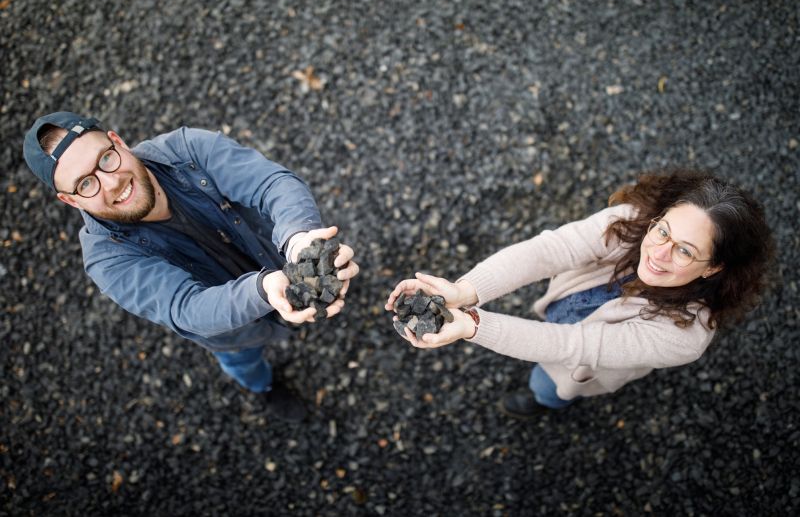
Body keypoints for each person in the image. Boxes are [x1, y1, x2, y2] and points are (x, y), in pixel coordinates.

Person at [23, 111, 360, 423]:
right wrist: (264, 291)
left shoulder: (186, 149)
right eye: (86, 183)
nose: (111, 183)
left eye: (106, 159)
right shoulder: (106, 258)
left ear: (119, 142)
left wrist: (299, 240)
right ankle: (264, 388)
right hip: (236, 332)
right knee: (244, 364)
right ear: (70, 200)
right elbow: (187, 307)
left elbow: (271, 184)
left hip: (283, 259)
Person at [386, 170, 774, 419]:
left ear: (713, 267)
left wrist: (472, 325)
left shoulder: (684, 336)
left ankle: (549, 404)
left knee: (547, 386)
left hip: (580, 367)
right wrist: (464, 290)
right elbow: (550, 250)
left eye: (685, 251)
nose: (658, 254)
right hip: (564, 324)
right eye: (664, 231)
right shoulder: (630, 224)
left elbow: (575, 345)